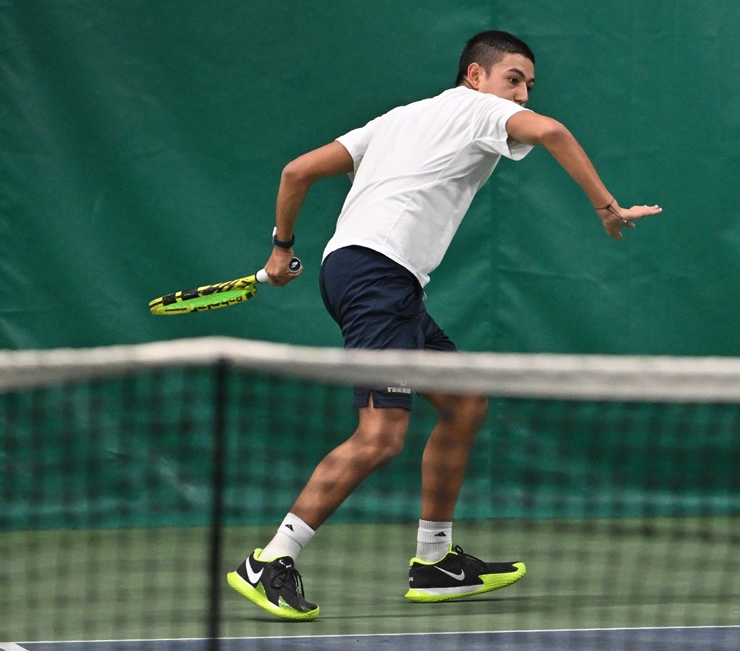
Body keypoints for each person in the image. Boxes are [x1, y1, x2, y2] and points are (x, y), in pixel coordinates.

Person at [226, 30, 662, 620]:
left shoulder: (395, 120)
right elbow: (554, 133)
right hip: (378, 276)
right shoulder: (481, 110)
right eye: (514, 79)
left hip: (369, 274)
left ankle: (435, 562)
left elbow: (296, 172)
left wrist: (281, 251)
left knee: (463, 403)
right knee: (380, 437)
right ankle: (271, 559)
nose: (523, 95)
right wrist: (607, 208)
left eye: (530, 85)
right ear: (476, 76)